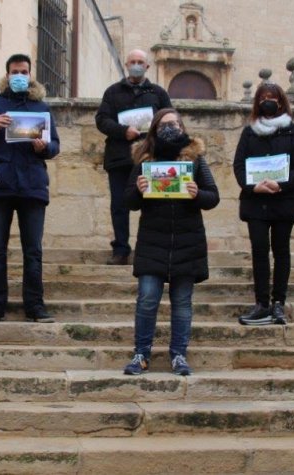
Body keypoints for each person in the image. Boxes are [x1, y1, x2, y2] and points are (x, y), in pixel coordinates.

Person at [121, 108, 220, 376]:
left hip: (188, 241)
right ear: (154, 128)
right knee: (147, 299)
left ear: (182, 127)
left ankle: (179, 355)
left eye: (175, 124)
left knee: (182, 302)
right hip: (153, 240)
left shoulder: (195, 159)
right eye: (165, 124)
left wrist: (197, 193)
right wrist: (139, 191)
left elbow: (213, 197)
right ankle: (141, 354)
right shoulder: (144, 160)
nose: (171, 128)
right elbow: (128, 202)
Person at [0, 53, 60, 323]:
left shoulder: (41, 108)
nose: (19, 76)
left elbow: (55, 147)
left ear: (30, 74)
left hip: (32, 187)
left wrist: (44, 147)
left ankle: (35, 306)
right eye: (14, 71)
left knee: (32, 250)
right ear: (7, 74)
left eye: (23, 71)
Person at [232, 83, 294, 325]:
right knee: (259, 249)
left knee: (281, 250)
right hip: (256, 202)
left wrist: (281, 184)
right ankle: (262, 303)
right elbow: (239, 166)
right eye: (263, 97)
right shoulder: (248, 132)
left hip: (283, 200)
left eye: (273, 97)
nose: (268, 101)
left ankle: (278, 303)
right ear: (257, 102)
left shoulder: (292, 131)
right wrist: (252, 185)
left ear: (281, 101)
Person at [95, 49, 172, 265]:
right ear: (126, 65)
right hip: (119, 158)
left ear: (147, 67)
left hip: (150, 157)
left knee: (154, 203)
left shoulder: (158, 93)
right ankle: (120, 249)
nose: (136, 65)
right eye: (133, 62)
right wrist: (122, 131)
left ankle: (150, 249)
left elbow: (170, 120)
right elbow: (102, 120)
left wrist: (154, 132)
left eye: (140, 62)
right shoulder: (112, 92)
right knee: (119, 205)